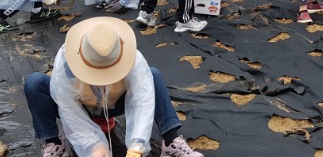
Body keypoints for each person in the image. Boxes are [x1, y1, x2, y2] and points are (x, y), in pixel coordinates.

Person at [24, 17, 203, 157]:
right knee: (35, 83)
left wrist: (137, 145)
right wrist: (93, 146)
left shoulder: (134, 60)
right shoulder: (66, 62)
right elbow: (68, 110)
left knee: (152, 74)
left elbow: (143, 100)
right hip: (81, 106)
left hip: (114, 102)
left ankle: (171, 141)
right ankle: (54, 143)